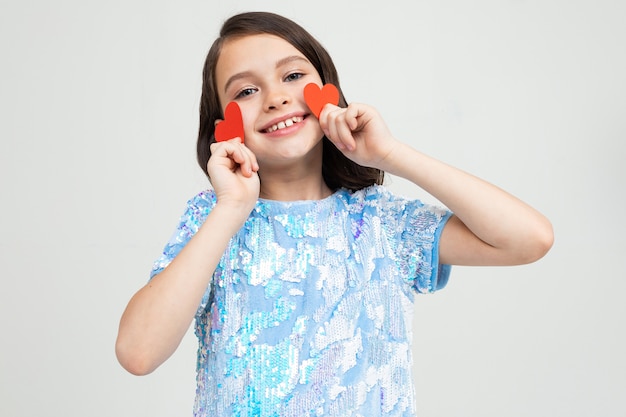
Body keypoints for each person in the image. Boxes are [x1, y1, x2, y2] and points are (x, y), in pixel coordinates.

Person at [115, 11, 553, 417]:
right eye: (246, 90)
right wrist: (230, 207)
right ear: (223, 127)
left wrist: (391, 154)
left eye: (292, 75)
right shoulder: (212, 220)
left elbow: (530, 238)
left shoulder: (385, 224)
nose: (276, 97)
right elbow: (138, 353)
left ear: (329, 95)